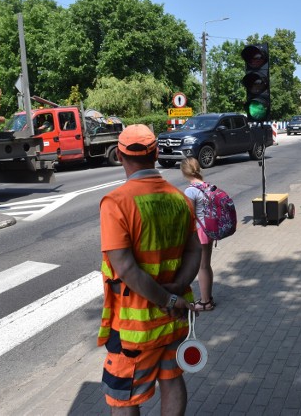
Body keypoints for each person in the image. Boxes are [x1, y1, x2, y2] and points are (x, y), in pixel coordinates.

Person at [98, 124, 202, 415]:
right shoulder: (179, 199)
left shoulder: (116, 203)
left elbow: (126, 268)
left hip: (135, 328)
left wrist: (166, 299)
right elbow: (195, 249)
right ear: (156, 154)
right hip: (175, 318)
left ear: (120, 156)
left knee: (124, 398)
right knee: (172, 379)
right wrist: (178, 289)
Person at [180, 157, 216, 311]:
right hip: (209, 228)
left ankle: (205, 302)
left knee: (202, 266)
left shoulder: (191, 190)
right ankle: (208, 298)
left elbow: (190, 215)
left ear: (184, 172)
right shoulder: (207, 186)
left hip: (200, 231)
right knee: (206, 265)